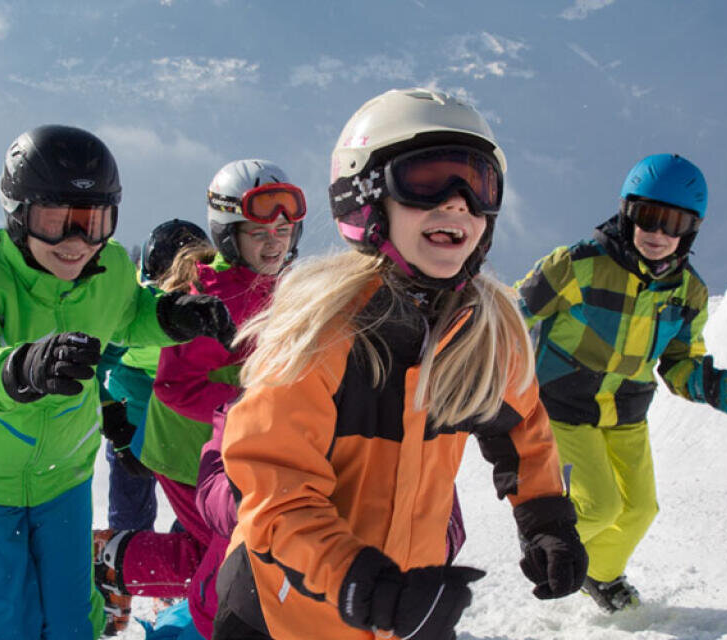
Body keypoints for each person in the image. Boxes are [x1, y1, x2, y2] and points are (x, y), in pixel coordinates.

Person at [212, 88, 587, 640]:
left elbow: (522, 428)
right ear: (365, 199)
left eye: (477, 185)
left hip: (405, 609)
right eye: (427, 181)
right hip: (284, 612)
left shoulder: (487, 331)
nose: (457, 202)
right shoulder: (324, 331)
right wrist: (357, 579)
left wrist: (545, 517)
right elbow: (271, 486)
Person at [0, 124, 235, 639]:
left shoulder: (108, 266)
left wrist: (172, 317)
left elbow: (130, 313)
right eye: (56, 222)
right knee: (10, 615)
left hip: (63, 472)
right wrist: (18, 368)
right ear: (18, 214)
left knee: (74, 613)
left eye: (93, 223)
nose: (76, 243)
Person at [516, 152, 727, 613]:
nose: (659, 234)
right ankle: (549, 544)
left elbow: (679, 359)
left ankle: (598, 574)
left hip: (626, 411)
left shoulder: (688, 293)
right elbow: (512, 314)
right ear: (627, 212)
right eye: (648, 217)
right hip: (563, 403)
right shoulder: (578, 265)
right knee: (599, 506)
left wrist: (704, 383)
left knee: (640, 510)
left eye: (673, 223)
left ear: (691, 229)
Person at [95, 159, 302, 638]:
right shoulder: (215, 295)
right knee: (229, 549)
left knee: (222, 546)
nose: (275, 241)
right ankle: (204, 615)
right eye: (258, 231)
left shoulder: (270, 283)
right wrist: (251, 400)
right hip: (188, 452)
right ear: (230, 234)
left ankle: (116, 560)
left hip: (229, 450)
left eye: (284, 229)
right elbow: (174, 386)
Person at [100, 219, 215, 534]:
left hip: (181, 429)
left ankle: (167, 565)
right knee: (131, 519)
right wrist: (114, 421)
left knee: (198, 520)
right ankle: (124, 567)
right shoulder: (134, 309)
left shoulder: (206, 312)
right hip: (137, 422)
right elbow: (96, 363)